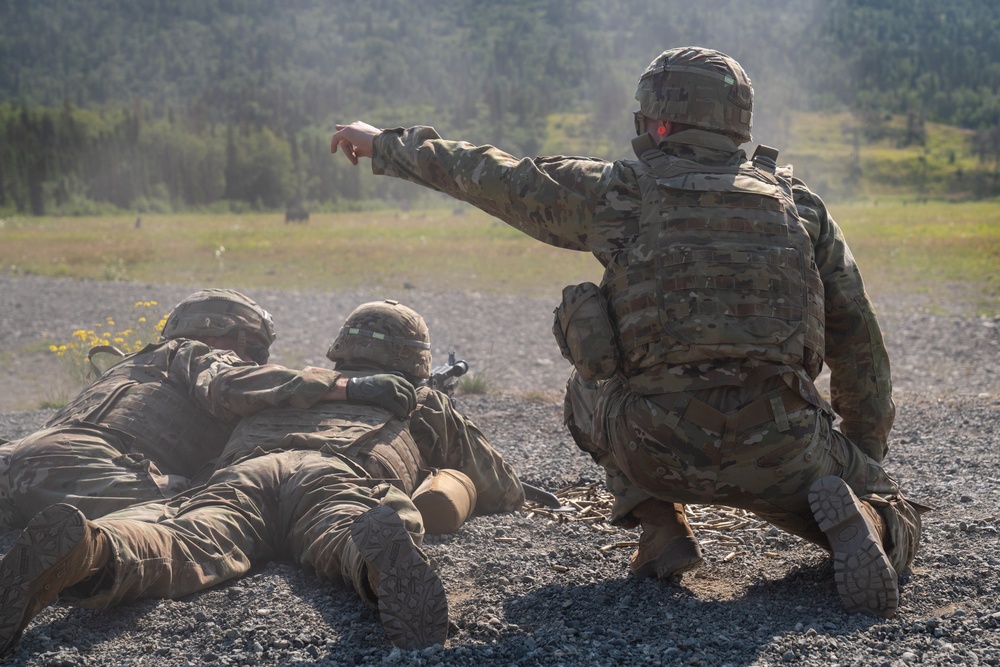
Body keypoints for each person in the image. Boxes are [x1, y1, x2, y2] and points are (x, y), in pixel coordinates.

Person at [328, 46, 925, 618]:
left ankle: (662, 529)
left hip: (651, 442)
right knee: (893, 506)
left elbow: (494, 175)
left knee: (584, 385)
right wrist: (859, 460)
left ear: (656, 118)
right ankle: (867, 522)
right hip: (785, 448)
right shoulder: (801, 207)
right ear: (738, 122)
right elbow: (858, 344)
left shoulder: (617, 192)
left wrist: (384, 143)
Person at [0, 299, 524, 655]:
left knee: (182, 538)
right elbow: (501, 485)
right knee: (344, 527)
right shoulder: (421, 399)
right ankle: (377, 565)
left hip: (243, 472)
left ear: (341, 350)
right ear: (417, 360)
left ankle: (94, 550)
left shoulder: (297, 386)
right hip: (335, 472)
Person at [0, 288, 410, 529]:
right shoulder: (195, 353)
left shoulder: (136, 362)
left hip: (18, 459)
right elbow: (232, 386)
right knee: (219, 513)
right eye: (253, 349)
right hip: (84, 469)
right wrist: (350, 387)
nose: (255, 360)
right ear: (225, 335)